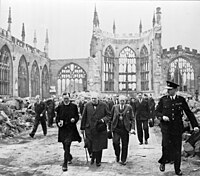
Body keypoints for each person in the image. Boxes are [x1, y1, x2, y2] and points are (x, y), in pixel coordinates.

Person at [155, 81, 199, 175]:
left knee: (177, 149)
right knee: (166, 146)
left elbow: (189, 113)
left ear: (175, 90)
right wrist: (162, 117)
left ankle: (177, 169)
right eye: (168, 89)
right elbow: (157, 112)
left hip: (177, 128)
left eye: (170, 90)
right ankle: (163, 162)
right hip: (166, 128)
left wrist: (195, 125)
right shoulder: (163, 99)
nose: (168, 91)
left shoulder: (181, 100)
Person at [80, 92, 111, 167]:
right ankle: (92, 156)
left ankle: (98, 160)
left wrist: (103, 120)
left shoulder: (103, 105)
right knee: (90, 144)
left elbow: (109, 115)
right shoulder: (87, 105)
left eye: (95, 99)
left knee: (99, 145)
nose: (93, 100)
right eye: (92, 99)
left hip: (99, 128)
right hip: (89, 128)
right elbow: (84, 116)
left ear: (98, 99)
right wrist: (82, 128)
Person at [55, 92, 81, 172]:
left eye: (67, 98)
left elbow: (77, 116)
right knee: (64, 146)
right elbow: (57, 118)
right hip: (63, 129)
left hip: (71, 129)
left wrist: (74, 119)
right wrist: (58, 123)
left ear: (69, 98)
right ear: (62, 99)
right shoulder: (59, 107)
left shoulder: (74, 106)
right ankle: (69, 156)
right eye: (64, 99)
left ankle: (65, 163)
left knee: (67, 144)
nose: (66, 100)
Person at [109, 95, 135, 165]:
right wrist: (109, 128)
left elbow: (132, 118)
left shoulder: (129, 107)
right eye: (121, 101)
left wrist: (132, 128)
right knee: (115, 142)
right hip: (116, 128)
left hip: (125, 129)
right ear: (118, 101)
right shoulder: (115, 107)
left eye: (123, 101)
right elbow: (110, 118)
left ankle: (123, 159)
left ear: (125, 101)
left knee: (125, 144)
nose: (122, 102)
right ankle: (117, 155)